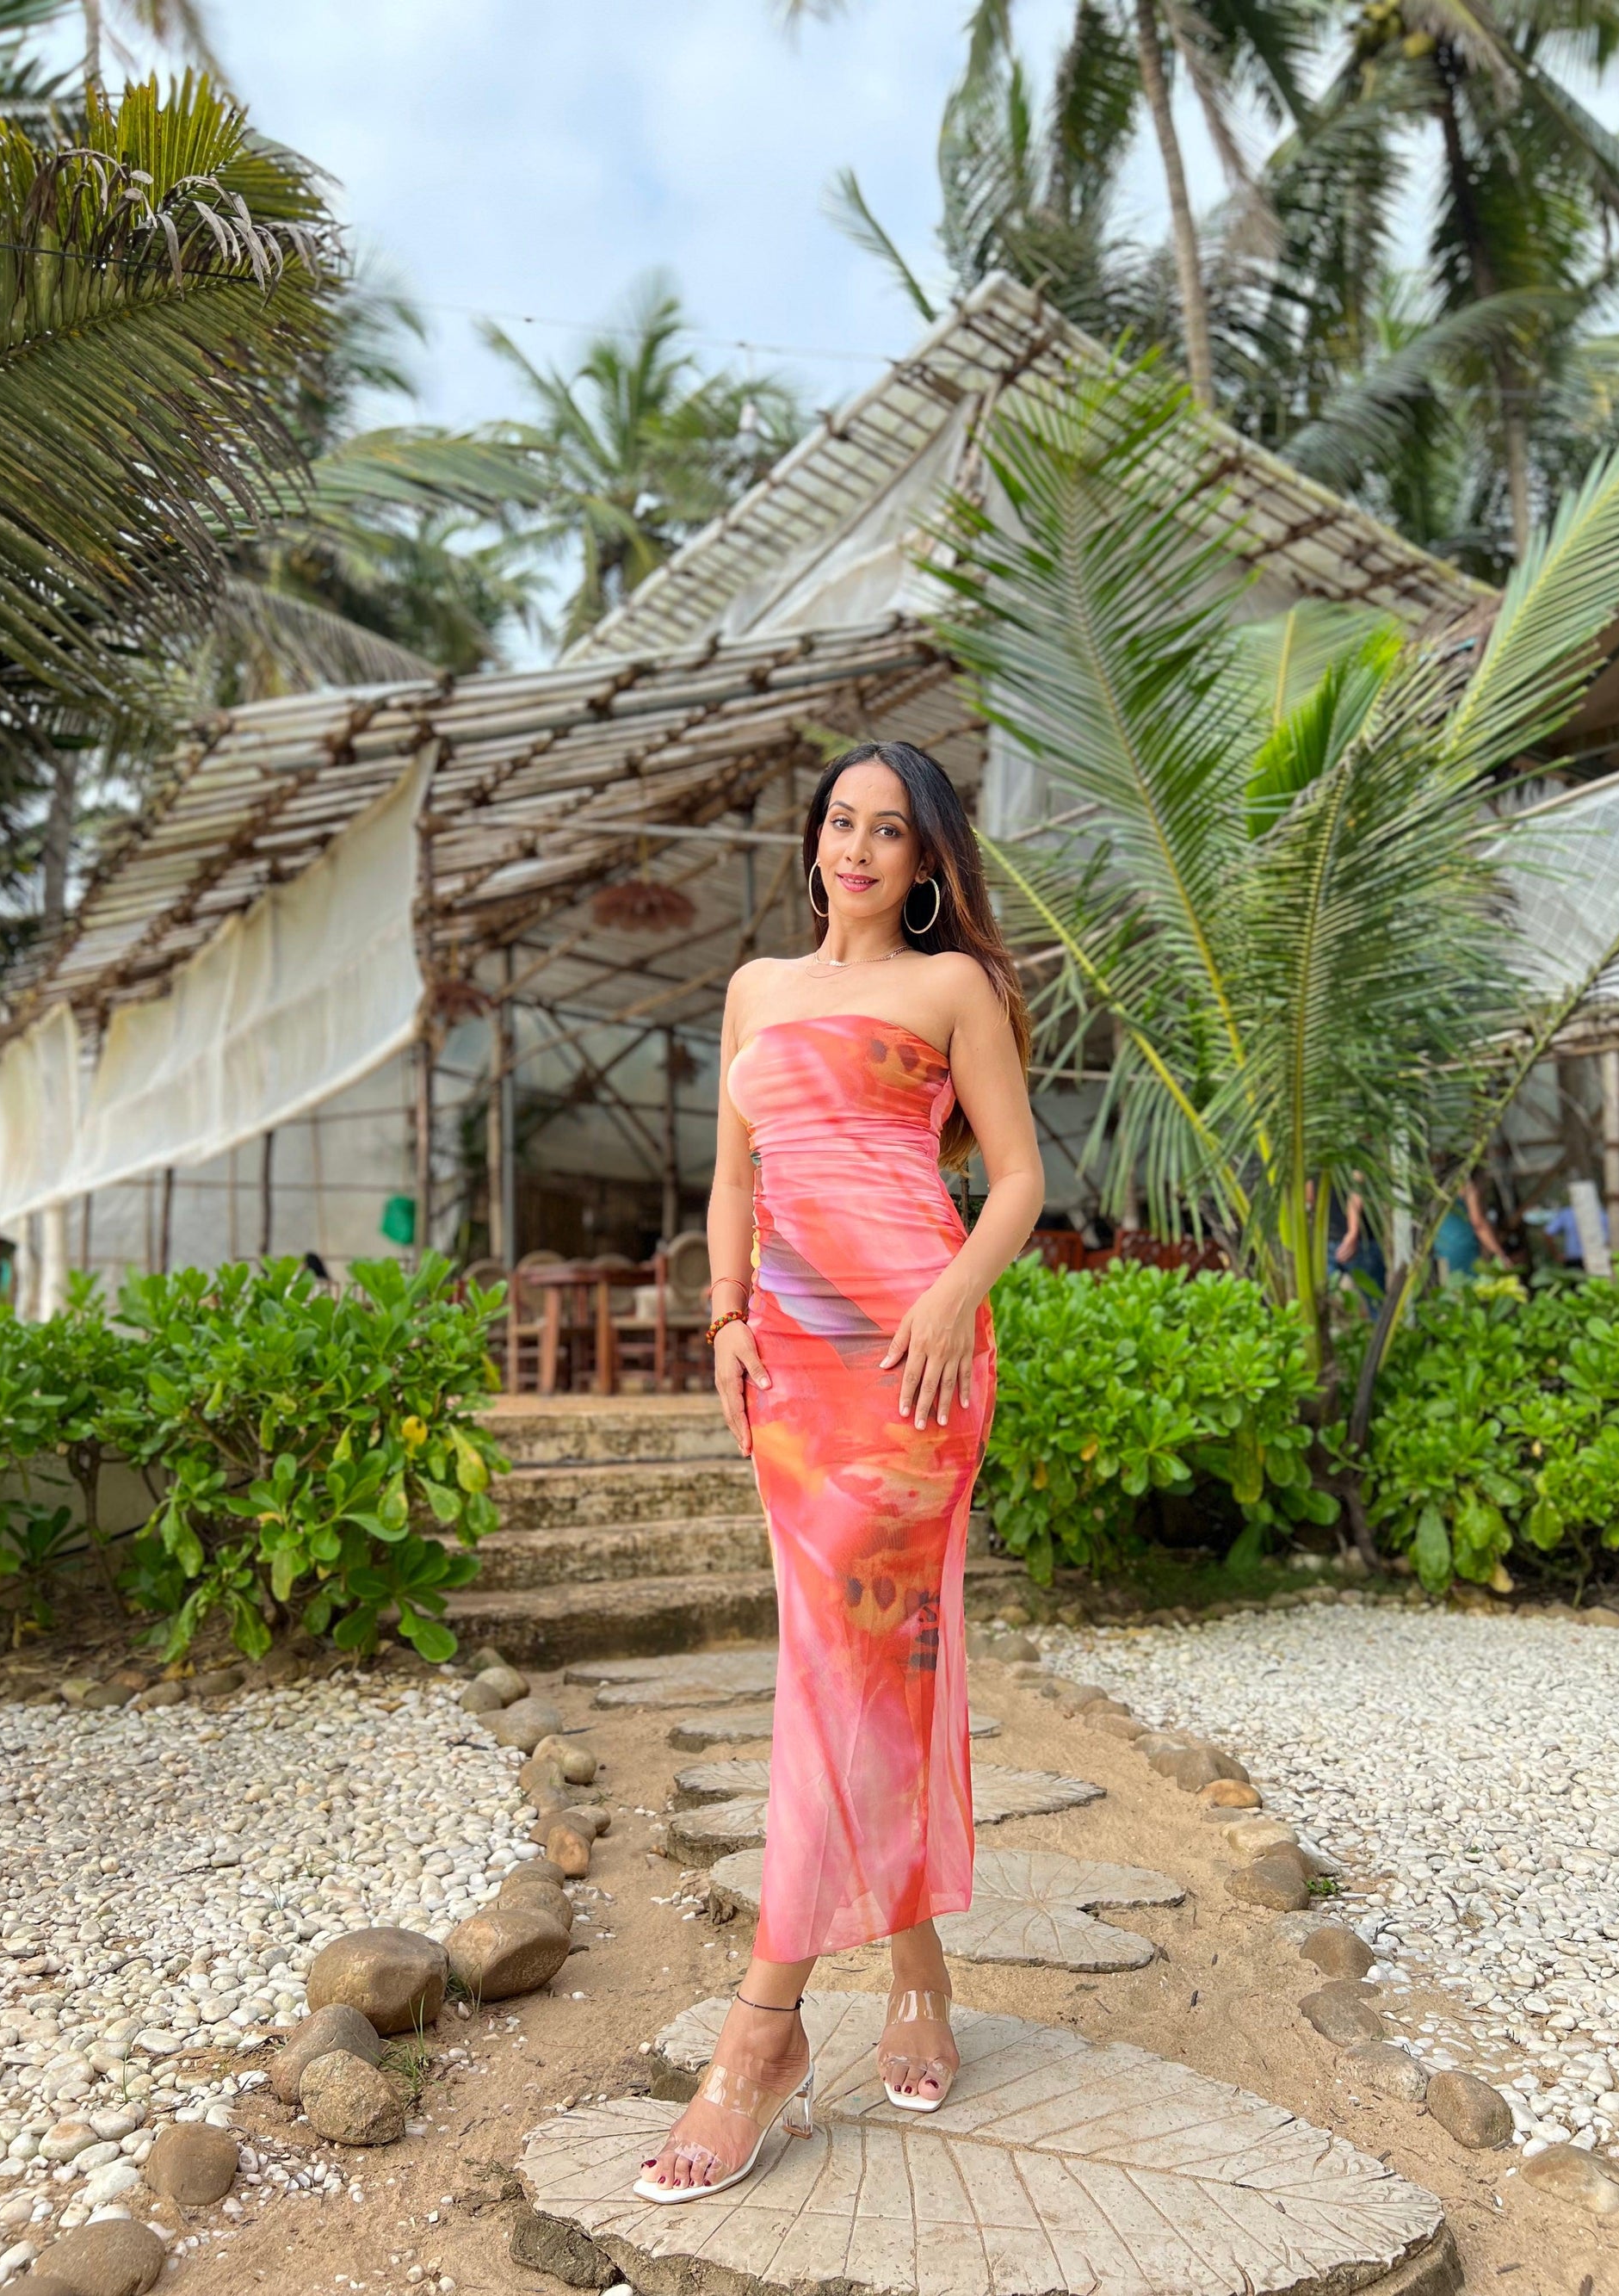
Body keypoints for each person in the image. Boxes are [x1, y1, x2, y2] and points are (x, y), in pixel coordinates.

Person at [634, 741, 1044, 2202]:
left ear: (930, 863)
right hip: (792, 1375)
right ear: (814, 840)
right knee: (857, 1664)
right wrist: (727, 1312)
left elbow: (1019, 1179)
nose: (858, 848)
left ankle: (760, 2034)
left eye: (891, 832)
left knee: (846, 1670)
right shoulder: (755, 987)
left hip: (919, 1356)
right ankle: (917, 1967)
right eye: (840, 822)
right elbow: (736, 1169)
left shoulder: (955, 990)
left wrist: (950, 1298)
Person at [1433, 1170, 1510, 1279]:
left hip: (1443, 1252)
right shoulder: (1469, 1188)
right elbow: (1478, 1224)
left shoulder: (1440, 1187)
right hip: (1463, 1250)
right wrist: (1500, 1255)